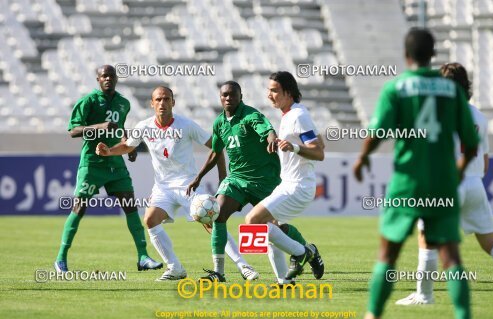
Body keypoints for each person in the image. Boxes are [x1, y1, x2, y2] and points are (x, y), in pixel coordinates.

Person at [341, 29, 479, 319]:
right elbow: (471, 144)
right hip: (442, 184)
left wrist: (362, 159)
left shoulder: (397, 88)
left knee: (388, 254)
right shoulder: (451, 91)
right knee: (452, 257)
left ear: (406, 55)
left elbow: (377, 133)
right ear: (432, 55)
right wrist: (456, 172)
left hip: (407, 183)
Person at [96, 86, 260, 281]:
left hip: (187, 185)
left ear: (173, 102)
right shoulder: (144, 126)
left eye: (166, 99)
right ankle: (175, 268)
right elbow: (127, 145)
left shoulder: (186, 125)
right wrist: (108, 151)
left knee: (211, 221)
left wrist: (222, 176)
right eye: (158, 99)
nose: (162, 103)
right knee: (150, 220)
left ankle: (243, 266)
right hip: (163, 188)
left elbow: (216, 146)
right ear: (152, 103)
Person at [395, 62, 493, 305]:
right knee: (491, 242)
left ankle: (424, 296)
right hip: (475, 183)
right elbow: (485, 162)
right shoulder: (479, 116)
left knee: (427, 239)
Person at [187, 80, 309, 283]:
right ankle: (219, 272)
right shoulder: (219, 123)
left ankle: (308, 251)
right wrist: (198, 177)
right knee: (218, 214)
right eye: (225, 95)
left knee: (274, 230)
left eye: (233, 95)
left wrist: (271, 138)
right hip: (237, 179)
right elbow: (215, 152)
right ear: (220, 98)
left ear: (240, 97)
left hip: (264, 181)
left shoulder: (251, 115)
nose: (228, 98)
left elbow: (267, 130)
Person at [54, 65, 162, 273]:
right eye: (104, 76)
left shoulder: (123, 103)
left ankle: (143, 257)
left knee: (131, 206)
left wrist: (128, 145)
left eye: (111, 76)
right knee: (79, 208)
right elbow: (72, 131)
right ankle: (61, 258)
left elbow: (120, 129)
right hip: (92, 164)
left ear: (116, 78)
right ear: (98, 79)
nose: (108, 79)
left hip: (115, 163)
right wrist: (98, 127)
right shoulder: (88, 101)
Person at [245, 71, 325, 282]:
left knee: (252, 221)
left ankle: (303, 252)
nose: (269, 95)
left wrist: (294, 148)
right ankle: (285, 281)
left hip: (298, 187)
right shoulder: (291, 114)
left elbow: (319, 152)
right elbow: (320, 143)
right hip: (288, 184)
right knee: (269, 230)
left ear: (288, 93)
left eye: (274, 90)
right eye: (269, 90)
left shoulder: (298, 115)